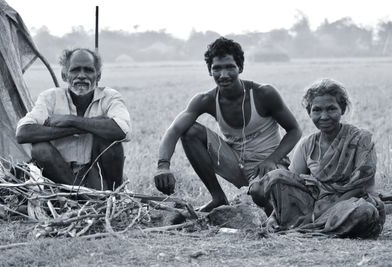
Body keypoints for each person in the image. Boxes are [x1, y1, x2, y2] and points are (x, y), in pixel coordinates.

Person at [153, 37, 302, 212]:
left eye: (230, 67)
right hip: (236, 163)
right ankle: (218, 198)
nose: (223, 75)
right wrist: (163, 166)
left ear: (240, 67)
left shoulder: (264, 94)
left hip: (268, 166)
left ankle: (270, 208)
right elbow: (174, 130)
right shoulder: (206, 99)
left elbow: (295, 130)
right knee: (190, 131)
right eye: (217, 68)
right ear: (210, 70)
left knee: (264, 200)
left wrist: (272, 160)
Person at [255, 78, 385, 238]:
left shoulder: (361, 139)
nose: (324, 116)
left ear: (342, 109)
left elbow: (360, 186)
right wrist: (274, 215)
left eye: (331, 109)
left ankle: (305, 229)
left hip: (350, 202)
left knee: (365, 212)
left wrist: (323, 211)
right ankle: (306, 226)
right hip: (315, 204)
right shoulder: (307, 145)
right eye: (317, 110)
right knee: (276, 176)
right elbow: (292, 184)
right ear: (309, 112)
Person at [16, 48, 131, 190]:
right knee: (40, 149)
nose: (82, 75)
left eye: (88, 70)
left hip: (97, 173)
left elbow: (122, 131)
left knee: (111, 143)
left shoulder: (110, 97)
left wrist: (71, 120)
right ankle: (81, 194)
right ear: (64, 75)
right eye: (75, 70)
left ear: (98, 76)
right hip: (60, 177)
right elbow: (23, 133)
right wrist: (82, 128)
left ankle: (112, 193)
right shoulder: (50, 98)